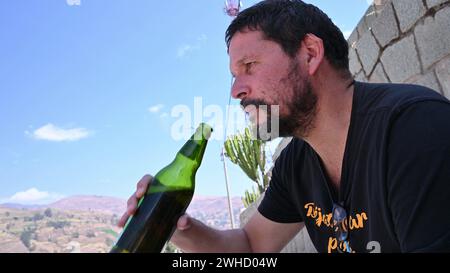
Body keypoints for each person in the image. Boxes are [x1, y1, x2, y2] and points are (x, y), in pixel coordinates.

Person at [118, 0, 450, 253]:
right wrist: (169, 223)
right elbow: (250, 246)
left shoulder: (414, 130)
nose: (236, 91)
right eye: (234, 76)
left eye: (249, 66)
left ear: (309, 54)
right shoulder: (295, 165)